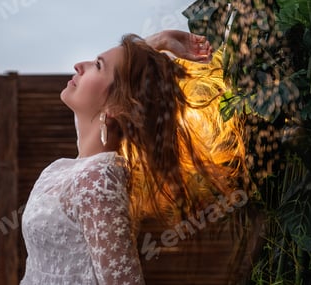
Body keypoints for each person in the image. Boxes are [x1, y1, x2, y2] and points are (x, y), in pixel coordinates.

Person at [20, 30, 249, 284]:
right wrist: (158, 42)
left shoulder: (98, 179)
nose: (78, 66)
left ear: (118, 106)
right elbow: (124, 82)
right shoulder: (65, 169)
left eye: (96, 65)